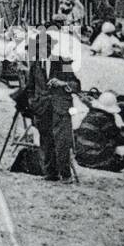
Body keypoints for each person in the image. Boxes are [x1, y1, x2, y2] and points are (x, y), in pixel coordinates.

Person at [27, 20, 81, 182]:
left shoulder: (64, 63)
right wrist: (34, 103)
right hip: (42, 107)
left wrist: (62, 83)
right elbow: (30, 87)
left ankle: (65, 174)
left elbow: (76, 85)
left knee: (62, 141)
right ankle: (50, 173)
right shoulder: (36, 64)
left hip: (61, 106)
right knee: (45, 140)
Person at [74, 91, 124, 173]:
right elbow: (119, 137)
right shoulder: (105, 118)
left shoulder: (91, 114)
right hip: (93, 159)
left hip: (81, 158)